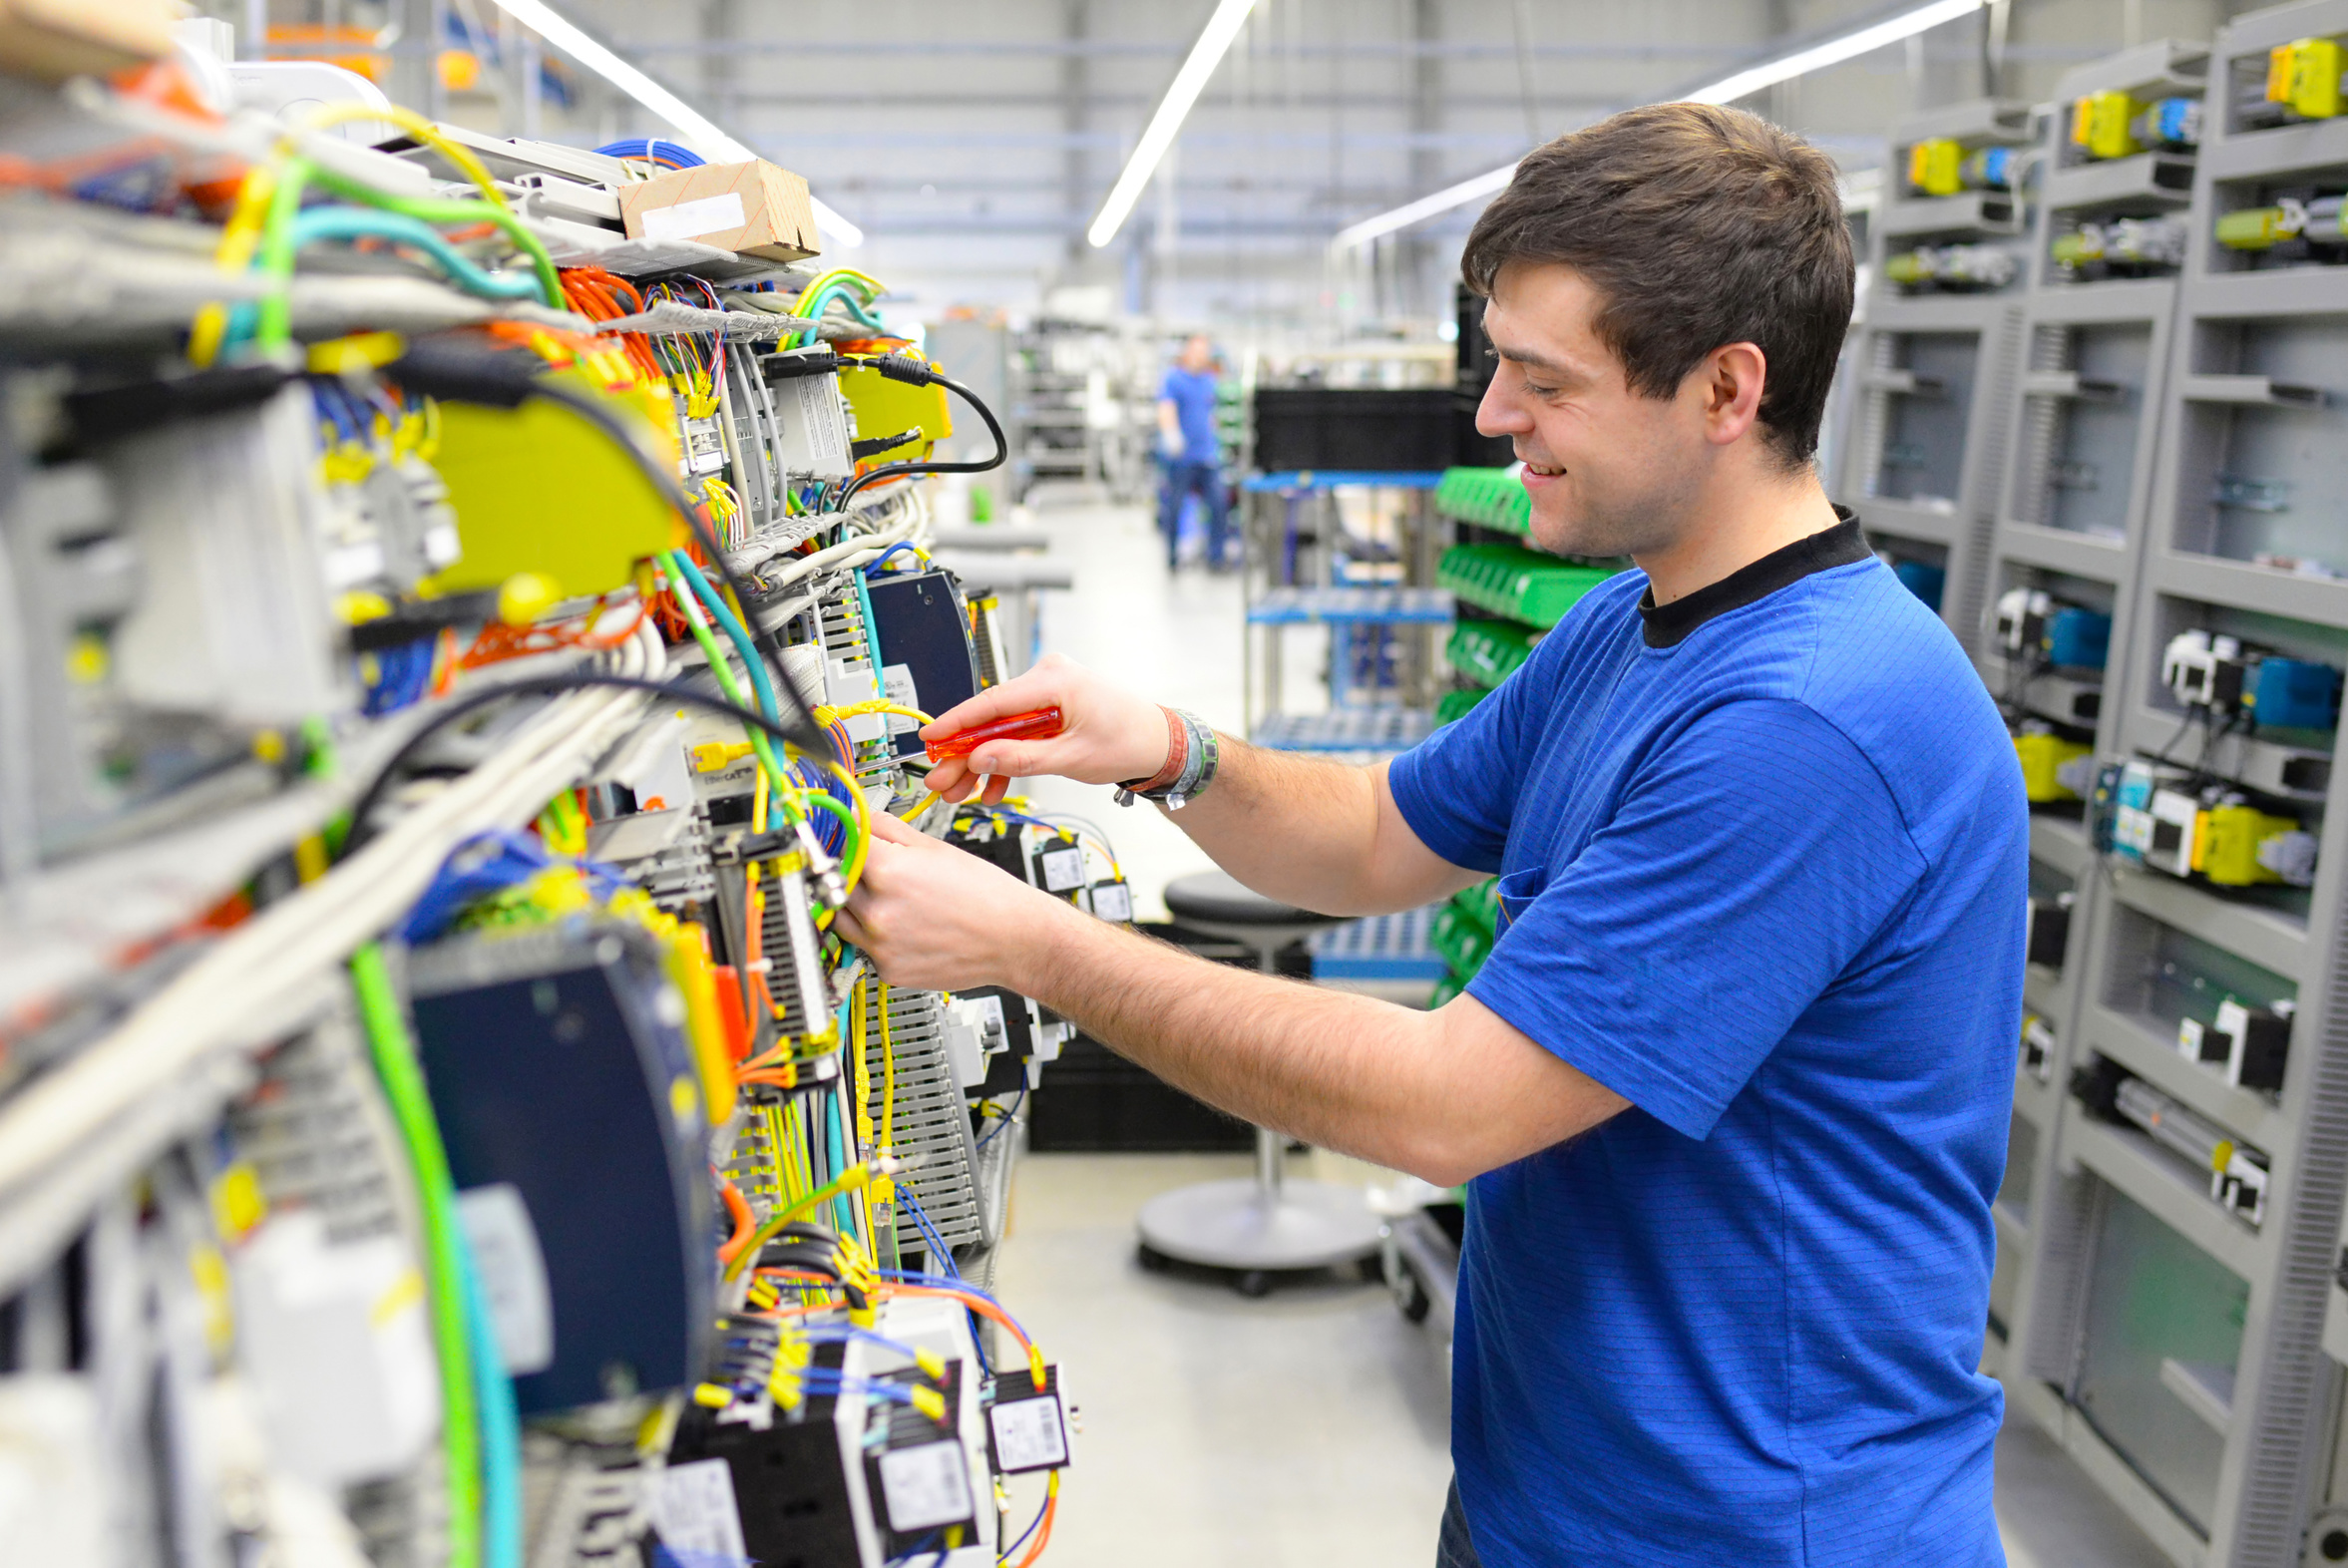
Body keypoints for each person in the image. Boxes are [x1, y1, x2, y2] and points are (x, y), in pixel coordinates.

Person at [840, 103, 2025, 1567]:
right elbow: (1376, 839)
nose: (1489, 420)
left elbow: (1444, 1107)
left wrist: (1037, 948)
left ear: (1726, 388)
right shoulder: (1630, 625)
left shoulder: (1813, 725)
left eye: (1542, 381)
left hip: (1751, 1530)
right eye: (1494, 368)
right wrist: (1165, 748)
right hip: (1554, 1494)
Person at [1156, 333, 1232, 570]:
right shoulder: (1174, 379)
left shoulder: (1210, 381)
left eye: (1205, 352)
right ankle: (1172, 557)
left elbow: (1213, 413)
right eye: (1197, 352)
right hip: (1181, 458)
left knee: (1219, 506)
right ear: (1188, 352)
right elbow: (1165, 408)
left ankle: (1216, 557)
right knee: (1175, 508)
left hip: (1208, 456)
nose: (1201, 357)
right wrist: (1171, 434)